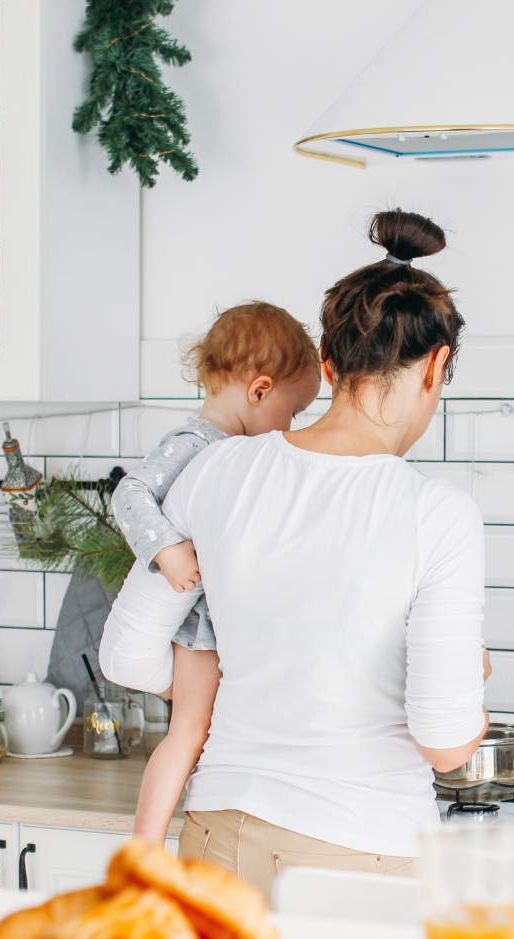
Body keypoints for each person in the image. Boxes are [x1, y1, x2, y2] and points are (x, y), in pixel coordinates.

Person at [101, 210, 489, 898]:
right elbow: (445, 744)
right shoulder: (438, 514)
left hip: (219, 836)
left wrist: (261, 673)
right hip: (363, 854)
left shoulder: (218, 471)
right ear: (435, 367)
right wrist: (473, 684)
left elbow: (127, 654)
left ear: (330, 364)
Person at [110, 302, 322, 841]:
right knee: (188, 732)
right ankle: (147, 843)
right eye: (292, 412)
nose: (290, 428)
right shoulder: (195, 444)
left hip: (227, 625)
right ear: (259, 391)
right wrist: (166, 550)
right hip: (201, 627)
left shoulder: (237, 454)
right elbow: (129, 494)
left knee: (208, 730)